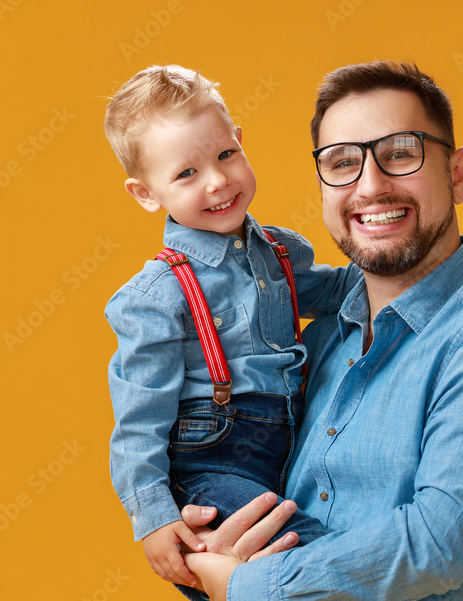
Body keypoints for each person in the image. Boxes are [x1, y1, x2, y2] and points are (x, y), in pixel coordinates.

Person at [177, 60, 463, 600]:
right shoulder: (313, 342)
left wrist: (248, 587)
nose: (371, 185)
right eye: (342, 162)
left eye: (401, 153)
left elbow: (440, 542)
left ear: (455, 174)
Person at [102, 65, 361, 592]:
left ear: (240, 142)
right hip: (211, 462)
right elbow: (138, 415)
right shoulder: (157, 295)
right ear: (145, 193)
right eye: (185, 174)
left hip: (288, 446)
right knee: (315, 558)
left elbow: (338, 291)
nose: (218, 181)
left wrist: (405, 263)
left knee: (327, 544)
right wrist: (152, 516)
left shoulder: (279, 252)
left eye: (225, 155)